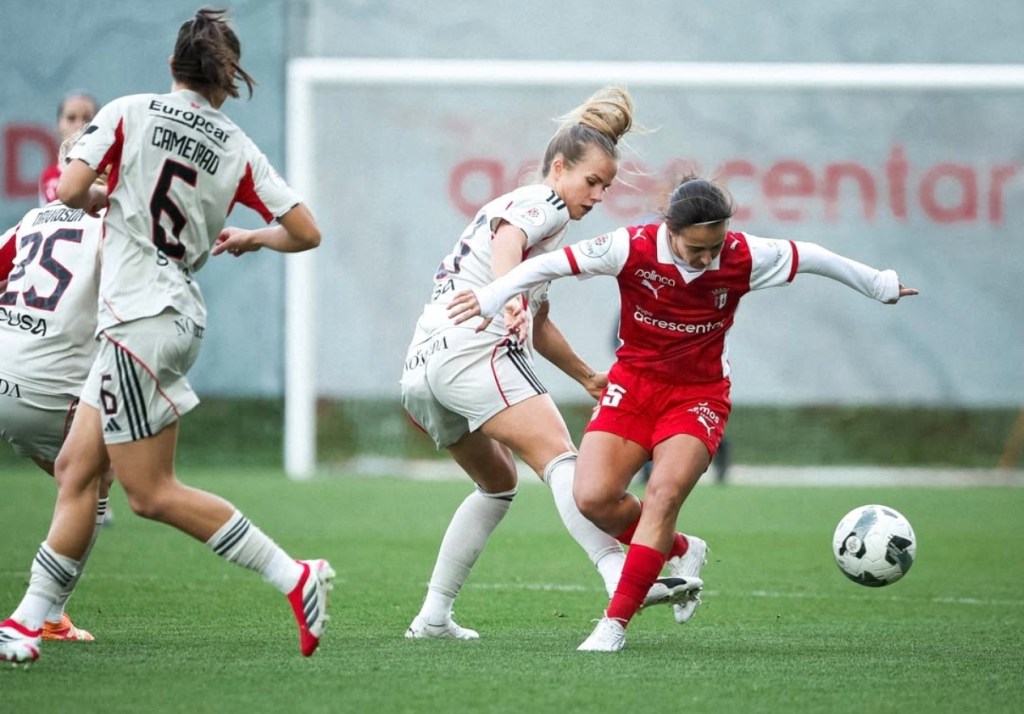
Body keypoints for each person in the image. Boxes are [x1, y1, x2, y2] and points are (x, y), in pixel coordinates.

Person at [448, 175, 919, 651]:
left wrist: (878, 283)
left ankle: (614, 623)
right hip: (632, 388)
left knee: (663, 494)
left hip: (699, 395)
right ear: (670, 231)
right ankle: (683, 549)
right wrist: (492, 298)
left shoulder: (745, 255)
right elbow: (548, 263)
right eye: (696, 248)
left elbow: (814, 256)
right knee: (591, 499)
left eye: (713, 247)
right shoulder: (629, 246)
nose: (707, 258)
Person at [0, 8, 331, 665]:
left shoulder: (127, 111)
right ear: (225, 80)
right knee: (76, 470)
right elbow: (306, 231)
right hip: (166, 314)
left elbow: (67, 190)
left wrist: (103, 193)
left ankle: (295, 576)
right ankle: (27, 622)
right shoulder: (235, 145)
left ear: (172, 67)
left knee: (150, 493)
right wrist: (251, 237)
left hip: (139, 319)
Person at [400, 86, 700, 641]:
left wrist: (586, 374)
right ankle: (617, 576)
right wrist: (509, 296)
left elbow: (538, 326)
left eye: (607, 187)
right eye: (592, 181)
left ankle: (433, 617)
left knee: (496, 484)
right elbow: (509, 245)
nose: (598, 195)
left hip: (424, 364)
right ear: (559, 168)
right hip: (472, 347)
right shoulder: (542, 203)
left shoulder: (535, 224)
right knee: (563, 461)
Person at [0, 132, 114, 644]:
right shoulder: (112, 229)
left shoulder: (28, 221)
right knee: (92, 487)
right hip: (49, 394)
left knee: (81, 484)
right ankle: (46, 615)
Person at [38, 91, 99, 206]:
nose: (80, 125)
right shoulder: (48, 177)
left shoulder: (109, 174)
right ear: (58, 125)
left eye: (87, 118)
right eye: (71, 118)